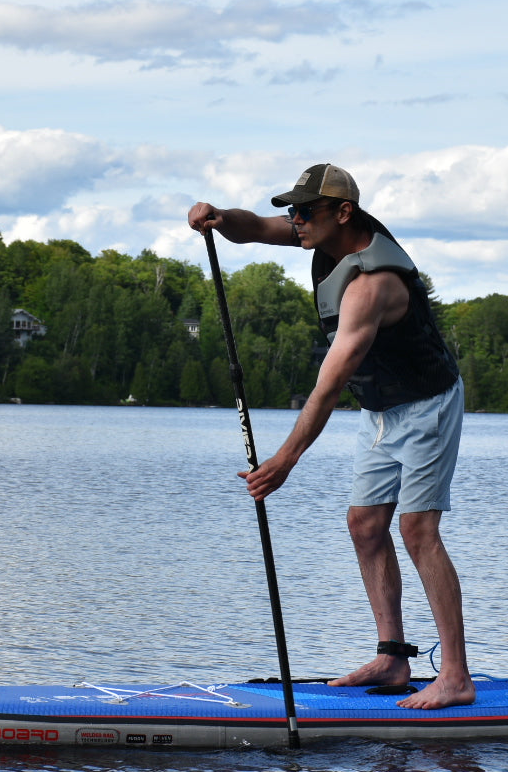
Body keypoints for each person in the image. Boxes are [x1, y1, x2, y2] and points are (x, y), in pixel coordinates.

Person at [188, 163, 475, 709]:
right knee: (365, 525)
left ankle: (456, 676)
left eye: (304, 211)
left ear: (343, 212)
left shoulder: (372, 284)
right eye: (291, 211)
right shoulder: (322, 235)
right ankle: (392, 658)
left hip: (428, 405)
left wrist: (284, 461)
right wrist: (220, 219)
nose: (294, 222)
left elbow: (328, 385)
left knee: (418, 530)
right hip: (382, 409)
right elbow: (253, 228)